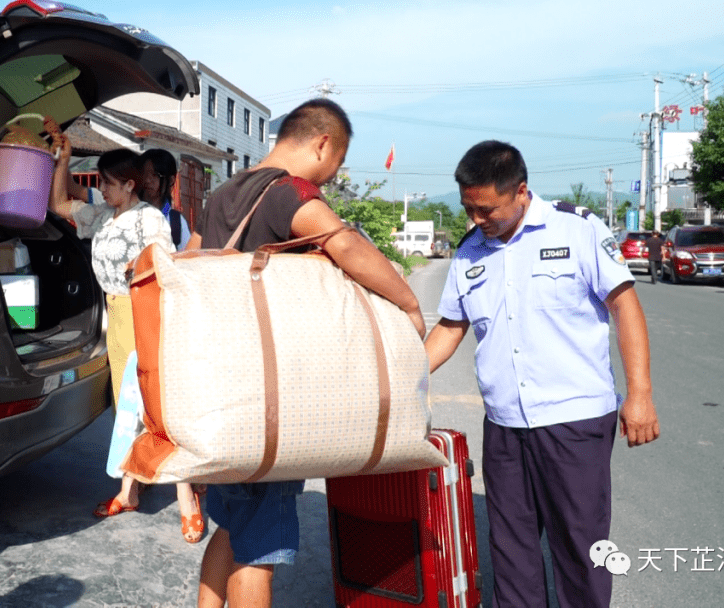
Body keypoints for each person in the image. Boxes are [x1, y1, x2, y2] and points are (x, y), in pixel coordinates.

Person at [188, 99, 426, 608]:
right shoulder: (287, 192)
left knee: (233, 528)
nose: (331, 177)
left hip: (222, 394)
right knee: (262, 551)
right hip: (270, 405)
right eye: (335, 164)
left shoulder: (222, 193)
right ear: (322, 143)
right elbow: (346, 246)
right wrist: (407, 303)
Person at [423, 141, 660, 608]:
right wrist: (399, 377)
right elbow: (451, 328)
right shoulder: (471, 252)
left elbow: (624, 305)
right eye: (469, 209)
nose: (476, 220)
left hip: (574, 421)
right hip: (506, 424)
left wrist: (640, 394)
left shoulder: (577, 229)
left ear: (521, 192)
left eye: (486, 209)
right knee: (511, 552)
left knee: (579, 549)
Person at [47, 137, 204, 544]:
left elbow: (166, 262)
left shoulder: (149, 219)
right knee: (127, 406)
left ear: (130, 185)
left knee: (156, 405)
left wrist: (141, 264)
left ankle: (187, 500)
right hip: (117, 318)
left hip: (144, 313)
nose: (103, 187)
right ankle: (129, 492)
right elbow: (58, 206)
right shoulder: (104, 216)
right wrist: (63, 161)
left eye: (109, 182)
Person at [140, 148, 192, 250]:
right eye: (144, 174)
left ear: (171, 180)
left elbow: (186, 260)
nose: (147, 180)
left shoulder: (176, 222)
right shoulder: (127, 215)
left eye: (155, 175)